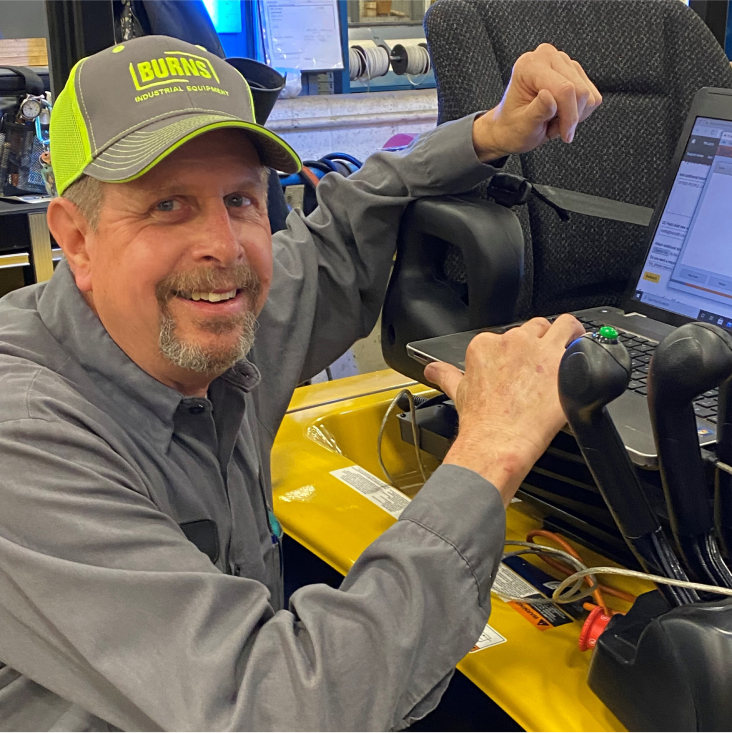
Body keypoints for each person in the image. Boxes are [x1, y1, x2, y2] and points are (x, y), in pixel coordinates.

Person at [0, 35, 600, 730]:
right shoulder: (27, 434)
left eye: (241, 199)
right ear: (75, 239)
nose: (223, 248)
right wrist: (490, 452)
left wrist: (487, 133)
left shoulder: (205, 320)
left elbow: (344, 229)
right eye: (168, 206)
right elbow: (281, 708)